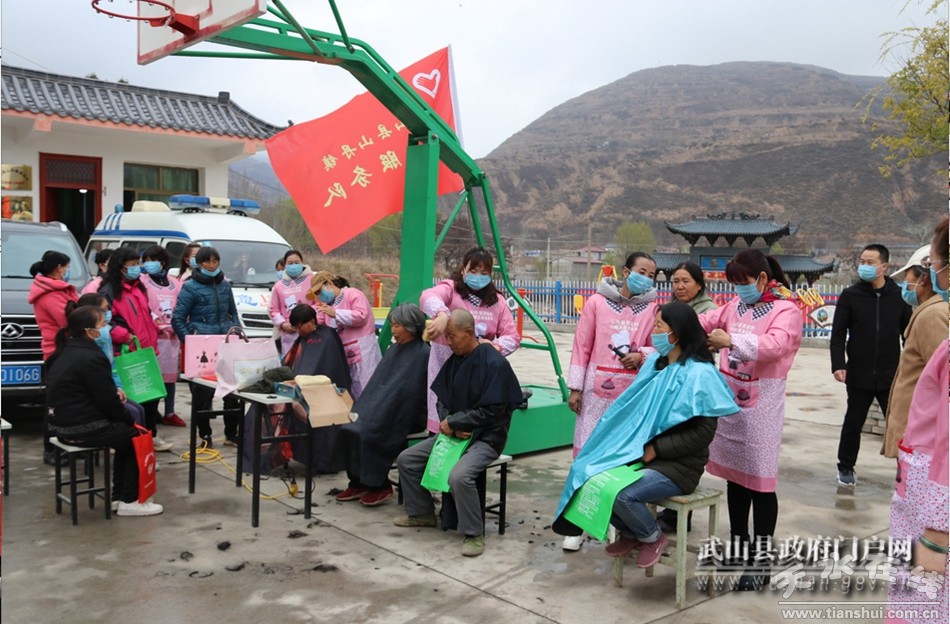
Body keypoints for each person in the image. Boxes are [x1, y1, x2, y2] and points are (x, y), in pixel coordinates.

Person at [552, 302, 739, 567]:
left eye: (659, 326)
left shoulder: (700, 375)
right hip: (641, 455)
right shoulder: (655, 365)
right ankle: (631, 532)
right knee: (588, 475)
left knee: (621, 494)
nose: (654, 331)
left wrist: (657, 449)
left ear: (676, 333)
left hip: (679, 466)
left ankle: (652, 537)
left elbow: (702, 435)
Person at [698, 248, 802, 590]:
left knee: (760, 481)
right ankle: (739, 544)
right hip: (730, 401)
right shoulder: (734, 306)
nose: (738, 289)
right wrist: (677, 321)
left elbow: (776, 346)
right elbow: (707, 322)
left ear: (762, 279)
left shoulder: (786, 309)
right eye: (734, 283)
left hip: (761, 405)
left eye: (742, 282)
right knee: (735, 477)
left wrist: (731, 341)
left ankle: (761, 559)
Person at [394, 309, 522, 557]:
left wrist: (458, 422)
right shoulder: (455, 360)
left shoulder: (494, 363)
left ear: (469, 332)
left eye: (452, 336)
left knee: (459, 477)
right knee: (407, 460)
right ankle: (422, 512)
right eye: (447, 337)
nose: (449, 342)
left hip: (485, 438)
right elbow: (442, 399)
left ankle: (474, 533)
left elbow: (495, 411)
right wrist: (449, 424)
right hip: (454, 434)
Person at [563, 251, 658, 551]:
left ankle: (619, 527)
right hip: (594, 394)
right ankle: (576, 527)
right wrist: (575, 387)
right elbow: (582, 345)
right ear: (625, 272)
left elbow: (660, 346)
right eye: (641, 271)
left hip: (629, 398)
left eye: (652, 275)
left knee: (621, 462)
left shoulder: (653, 309)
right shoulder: (596, 303)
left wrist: (641, 355)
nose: (646, 278)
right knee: (585, 458)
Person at [886, 217, 950, 623]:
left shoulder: (934, 317)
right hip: (925, 475)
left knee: (922, 603)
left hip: (933, 500)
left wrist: (938, 533)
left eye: (933, 263)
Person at [45, 305, 163, 516]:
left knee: (126, 436)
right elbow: (108, 402)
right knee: (135, 437)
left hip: (60, 425)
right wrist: (128, 419)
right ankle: (129, 500)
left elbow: (88, 389)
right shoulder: (91, 357)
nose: (106, 329)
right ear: (90, 331)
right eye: (102, 324)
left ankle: (120, 497)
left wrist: (114, 394)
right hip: (81, 427)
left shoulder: (65, 351)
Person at [830, 244, 911, 487]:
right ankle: (845, 467)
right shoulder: (850, 295)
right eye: (862, 261)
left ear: (884, 266)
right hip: (858, 371)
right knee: (853, 423)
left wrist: (910, 368)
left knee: (898, 425)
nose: (864, 266)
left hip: (890, 374)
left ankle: (907, 470)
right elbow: (838, 334)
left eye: (870, 262)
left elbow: (908, 335)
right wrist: (838, 364)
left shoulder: (899, 296)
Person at [336, 303, 431, 506]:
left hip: (407, 413)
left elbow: (410, 394)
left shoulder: (423, 354)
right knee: (349, 427)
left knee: (369, 432)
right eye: (392, 325)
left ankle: (379, 485)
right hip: (386, 406)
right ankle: (358, 481)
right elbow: (380, 384)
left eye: (397, 326)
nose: (393, 330)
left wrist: (381, 410)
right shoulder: (394, 349)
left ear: (411, 326)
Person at [420, 246, 520, 436]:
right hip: (445, 367)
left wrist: (495, 346)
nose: (478, 276)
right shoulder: (451, 290)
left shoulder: (498, 301)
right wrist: (441, 314)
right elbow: (427, 296)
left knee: (471, 420)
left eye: (484, 273)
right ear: (463, 270)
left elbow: (512, 337)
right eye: (473, 271)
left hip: (477, 373)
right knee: (443, 419)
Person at [98, 247, 172, 453]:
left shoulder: (139, 286)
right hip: (125, 351)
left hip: (146, 349)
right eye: (131, 265)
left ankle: (150, 435)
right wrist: (124, 335)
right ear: (120, 266)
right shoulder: (109, 290)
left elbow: (145, 314)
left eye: (136, 264)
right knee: (130, 398)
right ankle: (126, 438)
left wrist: (154, 328)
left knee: (151, 396)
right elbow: (103, 321)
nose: (136, 268)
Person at [882, 244, 948, 459]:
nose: (905, 284)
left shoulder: (932, 315)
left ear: (924, 278)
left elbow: (941, 376)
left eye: (907, 277)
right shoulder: (929, 310)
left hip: (921, 431)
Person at [171, 246, 241, 447]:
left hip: (225, 344)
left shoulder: (225, 286)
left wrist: (235, 330)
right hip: (202, 346)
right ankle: (205, 435)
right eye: (207, 261)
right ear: (199, 264)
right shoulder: (190, 287)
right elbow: (178, 319)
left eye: (215, 261)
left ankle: (231, 434)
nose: (212, 265)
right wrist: (190, 340)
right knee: (202, 396)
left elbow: (233, 313)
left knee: (232, 393)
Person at [270, 304, 351, 474]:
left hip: (324, 393)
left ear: (312, 321)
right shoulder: (303, 339)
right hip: (304, 387)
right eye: (296, 328)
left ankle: (322, 462)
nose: (298, 331)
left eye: (301, 326)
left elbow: (326, 367)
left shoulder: (327, 338)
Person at [28, 249, 79, 466]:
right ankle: (51, 448)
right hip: (57, 352)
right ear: (59, 268)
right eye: (67, 267)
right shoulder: (50, 293)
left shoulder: (57, 290)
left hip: (65, 351)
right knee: (55, 405)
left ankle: (67, 443)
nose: (68, 271)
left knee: (70, 401)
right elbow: (69, 322)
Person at [74, 293, 146, 428]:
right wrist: (113, 393)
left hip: (107, 390)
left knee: (139, 409)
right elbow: (95, 384)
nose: (109, 312)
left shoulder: (105, 335)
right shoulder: (84, 350)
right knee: (133, 414)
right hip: (92, 399)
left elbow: (112, 367)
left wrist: (118, 388)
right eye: (105, 309)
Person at [307, 271, 381, 400]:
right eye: (317, 294)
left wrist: (335, 314)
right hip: (342, 352)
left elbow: (361, 316)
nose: (319, 296)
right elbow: (322, 324)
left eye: (320, 291)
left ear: (329, 283)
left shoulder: (353, 294)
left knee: (367, 387)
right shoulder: (327, 306)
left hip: (363, 350)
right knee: (350, 389)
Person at [141, 245, 186, 428]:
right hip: (152, 336)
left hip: (171, 337)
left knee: (170, 376)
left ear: (163, 262)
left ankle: (170, 411)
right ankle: (152, 412)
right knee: (152, 376)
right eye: (146, 261)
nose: (148, 264)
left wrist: (178, 324)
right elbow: (142, 305)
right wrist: (155, 321)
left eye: (152, 260)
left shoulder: (176, 284)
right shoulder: (142, 282)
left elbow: (182, 306)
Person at [269, 249, 314, 356]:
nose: (294, 265)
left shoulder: (312, 281)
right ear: (285, 265)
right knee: (291, 361)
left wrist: (308, 322)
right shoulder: (278, 286)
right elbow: (273, 310)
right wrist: (283, 324)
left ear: (302, 262)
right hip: (288, 335)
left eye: (297, 262)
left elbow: (320, 304)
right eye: (290, 263)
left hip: (310, 332)